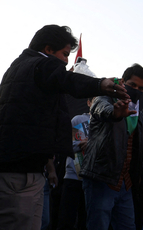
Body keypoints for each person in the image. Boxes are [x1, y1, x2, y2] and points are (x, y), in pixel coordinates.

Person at [0, 25, 129, 230]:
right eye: (65, 54)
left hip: (25, 171)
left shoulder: (19, 67)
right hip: (20, 175)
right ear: (49, 49)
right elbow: (67, 80)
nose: (67, 62)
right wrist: (99, 84)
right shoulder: (41, 64)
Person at [80, 64, 143, 230]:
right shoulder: (104, 99)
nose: (136, 90)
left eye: (141, 88)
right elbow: (100, 109)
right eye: (132, 85)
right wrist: (114, 114)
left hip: (126, 183)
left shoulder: (138, 115)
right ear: (122, 82)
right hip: (102, 179)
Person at [56, 97, 95, 230]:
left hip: (93, 178)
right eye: (95, 100)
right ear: (89, 103)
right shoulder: (79, 120)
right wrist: (82, 144)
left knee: (86, 218)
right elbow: (66, 145)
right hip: (74, 176)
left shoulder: (106, 122)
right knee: (67, 217)